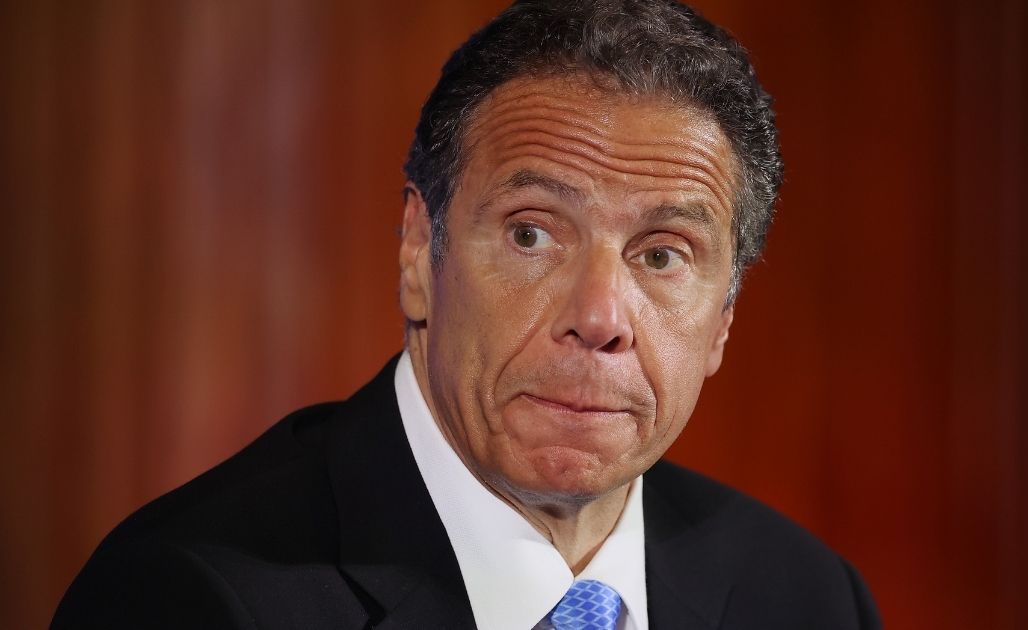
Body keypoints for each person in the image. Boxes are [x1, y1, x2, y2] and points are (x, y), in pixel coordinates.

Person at [52, 1, 880, 628]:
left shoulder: (807, 598)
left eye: (662, 254)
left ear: (725, 318)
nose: (599, 317)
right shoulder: (192, 596)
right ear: (419, 252)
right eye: (531, 234)